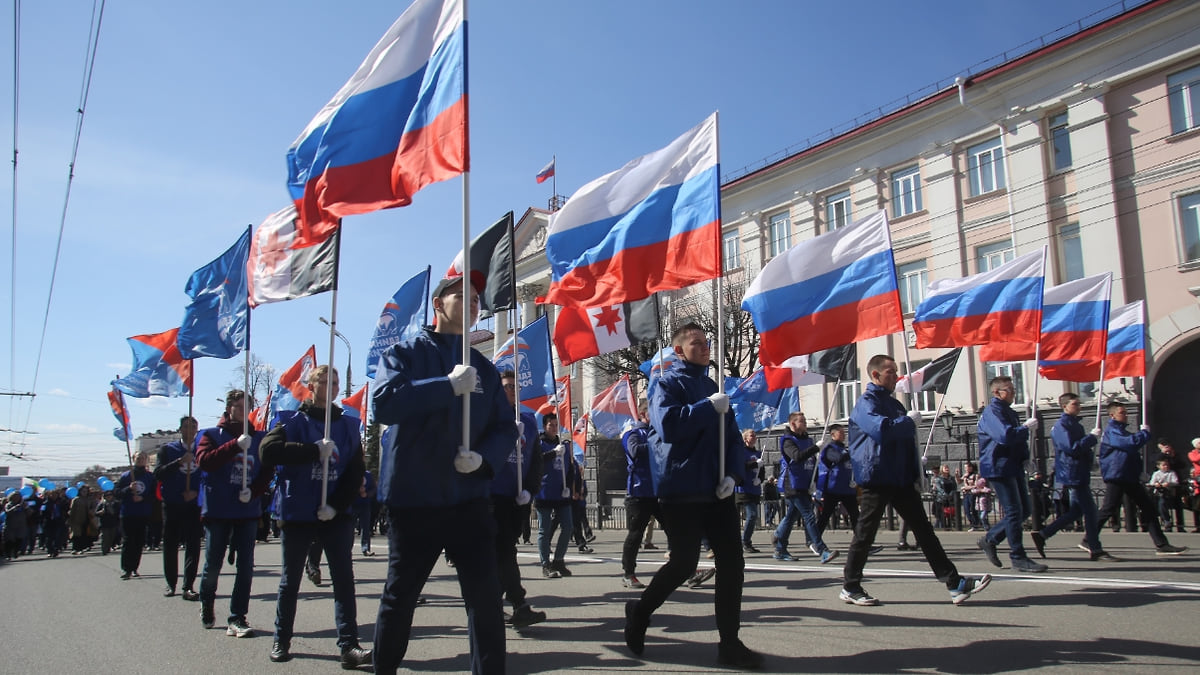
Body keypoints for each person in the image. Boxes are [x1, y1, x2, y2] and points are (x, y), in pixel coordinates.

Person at [371, 273, 514, 675]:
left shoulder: (484, 369)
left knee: (485, 600)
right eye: (462, 296)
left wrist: (484, 459)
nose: (472, 304)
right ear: (438, 304)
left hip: (468, 498)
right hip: (416, 499)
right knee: (401, 596)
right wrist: (445, 386)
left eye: (475, 300)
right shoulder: (405, 354)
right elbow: (384, 404)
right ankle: (384, 668)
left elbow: (506, 426)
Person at [624, 322, 761, 669]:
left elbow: (731, 437)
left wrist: (733, 473)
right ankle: (639, 612)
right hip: (682, 488)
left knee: (732, 563)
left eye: (706, 342)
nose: (704, 347)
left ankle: (729, 642)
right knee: (683, 562)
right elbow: (669, 426)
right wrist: (706, 408)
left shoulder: (713, 386)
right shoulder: (665, 383)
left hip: (717, 490)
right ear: (679, 350)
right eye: (696, 343)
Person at [840, 354, 991, 606]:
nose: (896, 376)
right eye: (890, 371)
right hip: (877, 475)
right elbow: (882, 430)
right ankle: (850, 586)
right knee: (865, 533)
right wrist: (907, 421)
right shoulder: (866, 403)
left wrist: (916, 472)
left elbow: (904, 439)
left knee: (924, 530)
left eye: (896, 370)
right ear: (875, 375)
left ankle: (954, 583)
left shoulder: (894, 404)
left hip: (899, 477)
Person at [260, 365, 371, 668]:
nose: (331, 385)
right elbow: (268, 452)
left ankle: (349, 645)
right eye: (324, 380)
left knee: (343, 580)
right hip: (298, 512)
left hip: (334, 513)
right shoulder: (292, 420)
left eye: (335, 382)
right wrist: (311, 451)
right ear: (311, 385)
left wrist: (336, 504)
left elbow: (355, 469)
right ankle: (281, 639)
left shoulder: (348, 426)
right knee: (290, 580)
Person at [195, 389, 271, 637]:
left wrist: (256, 490)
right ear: (228, 408)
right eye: (238, 407)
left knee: (246, 566)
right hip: (219, 509)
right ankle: (207, 602)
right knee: (213, 563)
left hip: (246, 510)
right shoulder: (210, 435)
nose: (243, 411)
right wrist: (233, 446)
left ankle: (237, 616)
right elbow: (205, 462)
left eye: (246, 407)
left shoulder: (258, 438)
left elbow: (267, 470)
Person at [1028, 393, 1117, 561]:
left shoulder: (1074, 424)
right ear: (1065, 406)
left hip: (1078, 471)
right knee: (1090, 511)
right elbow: (1072, 448)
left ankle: (1044, 534)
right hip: (1072, 473)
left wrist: (1090, 459)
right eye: (1075, 404)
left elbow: (1079, 449)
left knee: (1077, 510)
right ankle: (1095, 548)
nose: (1079, 406)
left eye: (1078, 403)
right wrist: (1091, 438)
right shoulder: (1062, 426)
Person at [1093, 402, 1187, 556]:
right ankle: (1088, 538)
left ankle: (1161, 544)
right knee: (1108, 509)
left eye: (1126, 412)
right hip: (1118, 475)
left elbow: (1131, 447)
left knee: (1148, 508)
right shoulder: (1113, 431)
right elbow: (1130, 444)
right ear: (1112, 415)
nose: (1126, 415)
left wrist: (1139, 471)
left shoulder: (1121, 431)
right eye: (1122, 412)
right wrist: (1143, 434)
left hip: (1128, 475)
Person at [492, 369, 547, 629]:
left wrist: (531, 490)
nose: (510, 390)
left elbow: (535, 460)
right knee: (504, 553)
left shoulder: (528, 419)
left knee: (502, 554)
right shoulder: (488, 417)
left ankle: (490, 604)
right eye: (505, 386)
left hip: (516, 498)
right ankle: (519, 605)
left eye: (514, 386)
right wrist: (504, 436)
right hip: (492, 496)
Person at [975, 376, 1047, 573]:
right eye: (1010, 390)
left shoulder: (1008, 412)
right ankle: (1018, 556)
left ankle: (991, 539)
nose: (1014, 393)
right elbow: (1005, 436)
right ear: (996, 392)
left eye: (1014, 390)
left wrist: (1026, 457)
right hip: (998, 465)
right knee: (1014, 511)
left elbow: (1015, 439)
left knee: (1024, 510)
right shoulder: (993, 412)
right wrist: (1024, 429)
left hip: (1011, 464)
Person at [772, 412, 838, 563]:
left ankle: (780, 547)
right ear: (793, 424)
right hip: (793, 484)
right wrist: (815, 448)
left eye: (805, 420)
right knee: (809, 515)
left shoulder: (807, 440)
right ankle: (822, 550)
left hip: (805, 484)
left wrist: (814, 483)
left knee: (790, 518)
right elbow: (797, 456)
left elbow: (812, 464)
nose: (805, 423)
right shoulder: (787, 440)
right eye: (801, 421)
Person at [155, 416, 203, 600]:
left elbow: (208, 475)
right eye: (186, 426)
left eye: (194, 426)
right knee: (171, 543)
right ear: (180, 429)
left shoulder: (201, 449)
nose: (190, 429)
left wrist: (196, 493)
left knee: (193, 544)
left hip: (193, 504)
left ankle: (188, 585)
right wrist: (179, 462)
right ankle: (170, 583)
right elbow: (158, 474)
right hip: (173, 503)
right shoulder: (168, 450)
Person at [534, 412, 576, 578]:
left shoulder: (563, 444)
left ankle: (559, 559)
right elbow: (536, 460)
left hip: (561, 492)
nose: (553, 428)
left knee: (568, 527)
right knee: (544, 530)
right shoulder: (539, 443)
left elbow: (570, 468)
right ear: (545, 426)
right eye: (550, 425)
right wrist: (553, 453)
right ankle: (545, 563)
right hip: (544, 492)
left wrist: (571, 488)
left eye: (556, 425)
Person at [621, 407, 659, 588]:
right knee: (635, 535)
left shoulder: (658, 433)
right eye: (653, 412)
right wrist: (657, 444)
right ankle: (628, 573)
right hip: (638, 493)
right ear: (643, 415)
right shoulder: (633, 434)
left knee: (676, 530)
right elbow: (634, 451)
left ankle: (688, 570)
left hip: (658, 492)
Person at [116, 450, 156, 578]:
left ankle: (134, 567)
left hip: (143, 513)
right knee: (128, 540)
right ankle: (126, 568)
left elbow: (155, 495)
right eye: (139, 458)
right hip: (127, 512)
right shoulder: (126, 476)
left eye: (143, 458)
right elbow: (116, 492)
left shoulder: (150, 477)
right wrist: (128, 489)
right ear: (133, 459)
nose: (141, 460)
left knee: (139, 541)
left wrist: (143, 499)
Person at [815, 425, 857, 535]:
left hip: (847, 488)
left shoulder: (845, 449)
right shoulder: (830, 449)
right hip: (833, 488)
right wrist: (851, 453)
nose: (844, 435)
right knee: (826, 515)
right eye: (841, 433)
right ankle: (815, 538)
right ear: (833, 435)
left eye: (844, 433)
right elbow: (837, 458)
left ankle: (863, 542)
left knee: (855, 515)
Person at [735, 429, 765, 553]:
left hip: (754, 488)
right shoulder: (742, 452)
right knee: (749, 515)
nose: (754, 437)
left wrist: (760, 479)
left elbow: (761, 470)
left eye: (755, 436)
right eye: (751, 435)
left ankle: (745, 541)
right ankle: (742, 541)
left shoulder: (758, 453)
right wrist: (754, 465)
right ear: (745, 438)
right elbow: (741, 466)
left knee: (752, 516)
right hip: (743, 488)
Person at [1155, 440, 1189, 533]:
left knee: (1178, 505)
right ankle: (1167, 522)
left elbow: (1182, 465)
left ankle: (1180, 525)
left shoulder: (1175, 456)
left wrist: (1172, 455)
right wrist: (1163, 454)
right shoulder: (1159, 456)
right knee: (1162, 504)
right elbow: (1156, 464)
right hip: (1163, 487)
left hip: (1175, 483)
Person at [1149, 458, 1181, 533]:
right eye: (1163, 465)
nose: (1166, 466)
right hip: (1157, 493)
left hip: (1167, 494)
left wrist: (1168, 484)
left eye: (1167, 465)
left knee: (1162, 503)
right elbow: (1151, 483)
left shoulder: (1172, 473)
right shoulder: (1156, 473)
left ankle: (1167, 521)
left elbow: (1176, 482)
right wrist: (1156, 484)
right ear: (1158, 466)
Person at [355, 471, 377, 557]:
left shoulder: (368, 475)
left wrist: (367, 494)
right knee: (349, 529)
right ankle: (347, 550)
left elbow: (374, 488)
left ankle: (366, 548)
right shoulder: (352, 472)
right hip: (353, 505)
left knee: (366, 527)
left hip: (365, 505)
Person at [95, 490, 120, 555]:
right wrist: (100, 512)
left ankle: (109, 547)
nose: (109, 497)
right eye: (107, 496)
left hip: (113, 523)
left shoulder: (116, 503)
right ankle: (104, 549)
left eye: (110, 495)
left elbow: (118, 512)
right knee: (105, 537)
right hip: (104, 523)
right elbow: (96, 513)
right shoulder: (102, 504)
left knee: (111, 536)